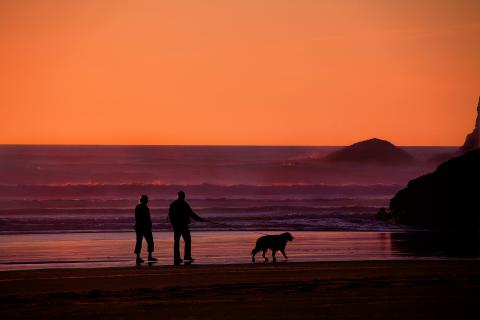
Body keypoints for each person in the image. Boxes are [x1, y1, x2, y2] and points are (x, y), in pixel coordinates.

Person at [168, 191, 206, 265]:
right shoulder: (184, 204)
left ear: (178, 196)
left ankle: (178, 257)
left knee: (177, 242)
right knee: (187, 240)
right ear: (183, 196)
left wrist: (173, 224)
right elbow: (191, 214)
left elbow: (170, 216)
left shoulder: (174, 204)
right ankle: (187, 256)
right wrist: (200, 219)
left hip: (177, 226)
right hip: (183, 225)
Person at [134, 194, 157, 263]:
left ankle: (139, 257)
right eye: (146, 200)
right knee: (149, 241)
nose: (147, 201)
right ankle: (148, 256)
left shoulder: (139, 207)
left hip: (140, 227)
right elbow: (144, 218)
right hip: (144, 227)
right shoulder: (143, 207)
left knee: (140, 242)